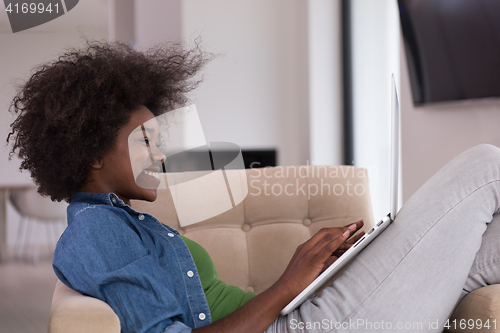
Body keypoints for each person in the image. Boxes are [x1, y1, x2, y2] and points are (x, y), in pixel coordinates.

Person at [7, 40, 500, 333]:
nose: (160, 155)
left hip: (307, 313)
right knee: (484, 167)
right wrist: (290, 281)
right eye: (145, 141)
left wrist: (316, 276)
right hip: (307, 326)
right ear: (92, 151)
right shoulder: (96, 232)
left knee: (490, 242)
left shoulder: (125, 223)